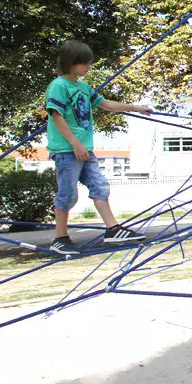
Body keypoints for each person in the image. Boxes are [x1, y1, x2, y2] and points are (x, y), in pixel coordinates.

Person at [44, 40, 151, 256]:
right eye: (85, 63)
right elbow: (57, 117)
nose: (88, 67)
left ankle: (112, 229)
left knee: (100, 186)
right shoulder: (58, 86)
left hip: (85, 149)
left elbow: (105, 104)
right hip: (67, 150)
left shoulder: (83, 87)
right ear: (71, 63)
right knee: (68, 194)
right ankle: (60, 238)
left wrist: (135, 108)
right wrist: (75, 144)